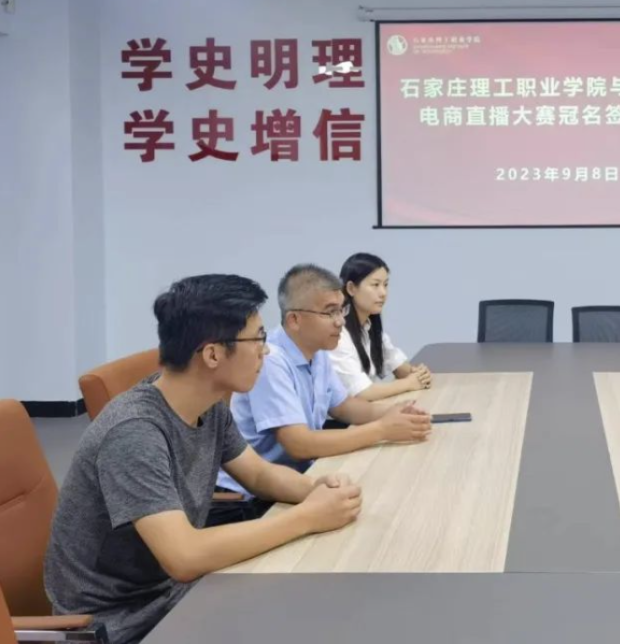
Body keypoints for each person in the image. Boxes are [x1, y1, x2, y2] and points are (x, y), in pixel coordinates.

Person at [45, 275, 364, 644]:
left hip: (174, 594)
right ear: (212, 354)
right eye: (257, 339)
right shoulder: (134, 432)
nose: (266, 351)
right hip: (123, 623)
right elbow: (184, 557)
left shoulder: (207, 406)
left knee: (318, 607)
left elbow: (258, 475)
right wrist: (307, 517)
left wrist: (316, 490)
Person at [213, 264, 431, 521]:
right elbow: (299, 444)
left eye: (341, 310)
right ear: (294, 320)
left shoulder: (318, 351)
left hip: (294, 479)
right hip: (250, 498)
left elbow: (344, 407)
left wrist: (394, 413)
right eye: (330, 312)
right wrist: (382, 430)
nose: (340, 321)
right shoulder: (271, 360)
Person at [329, 252, 432, 401]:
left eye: (385, 285)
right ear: (351, 288)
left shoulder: (369, 326)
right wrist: (409, 383)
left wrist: (419, 374)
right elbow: (362, 393)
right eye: (375, 285)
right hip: (344, 415)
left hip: (366, 409)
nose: (383, 293)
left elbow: (399, 367)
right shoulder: (337, 334)